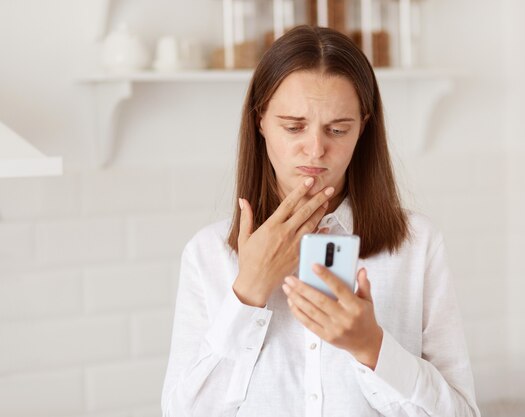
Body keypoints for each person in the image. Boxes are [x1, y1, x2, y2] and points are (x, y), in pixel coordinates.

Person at [161, 25, 480, 417]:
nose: (315, 149)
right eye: (293, 126)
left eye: (338, 129)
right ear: (260, 120)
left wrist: (373, 348)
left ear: (364, 127)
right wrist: (248, 292)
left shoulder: (416, 245)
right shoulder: (208, 253)